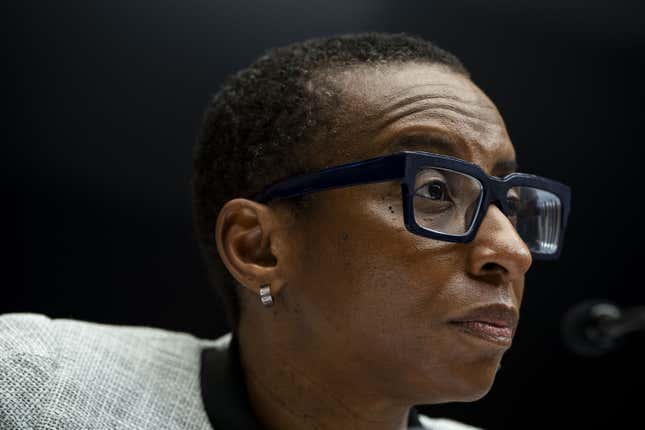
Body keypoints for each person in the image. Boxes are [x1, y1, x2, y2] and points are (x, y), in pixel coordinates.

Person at [1, 33, 571, 430]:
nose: (512, 251)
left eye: (508, 202)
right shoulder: (32, 384)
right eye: (436, 191)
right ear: (259, 246)